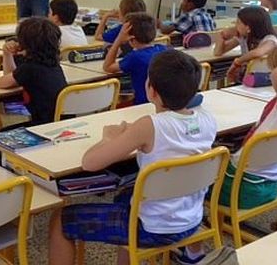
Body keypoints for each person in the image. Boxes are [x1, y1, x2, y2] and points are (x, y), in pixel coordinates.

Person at [48, 50, 217, 265]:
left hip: (153, 229)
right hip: (192, 219)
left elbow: (90, 163)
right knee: (124, 196)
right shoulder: (207, 119)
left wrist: (108, 138)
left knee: (60, 220)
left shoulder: (149, 126)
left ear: (151, 90)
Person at [176, 37, 277, 264]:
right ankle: (215, 223)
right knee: (214, 154)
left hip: (241, 187)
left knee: (187, 175)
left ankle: (193, 249)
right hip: (268, 184)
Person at [0, 17, 67, 125]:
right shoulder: (53, 63)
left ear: (24, 42)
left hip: (44, 127)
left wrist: (6, 53)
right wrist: (8, 54)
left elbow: (0, 83)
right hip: (61, 123)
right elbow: (12, 78)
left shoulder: (29, 68)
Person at [103, 12, 168, 105]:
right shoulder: (163, 49)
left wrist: (118, 39)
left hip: (142, 103)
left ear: (130, 38)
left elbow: (107, 67)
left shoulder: (135, 57)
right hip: (161, 103)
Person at [213, 6, 277, 82]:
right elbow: (218, 52)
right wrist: (221, 35)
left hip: (264, 80)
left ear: (248, 28)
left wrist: (237, 62)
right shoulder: (243, 37)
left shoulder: (270, 39)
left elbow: (257, 53)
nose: (235, 26)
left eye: (238, 23)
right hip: (247, 79)